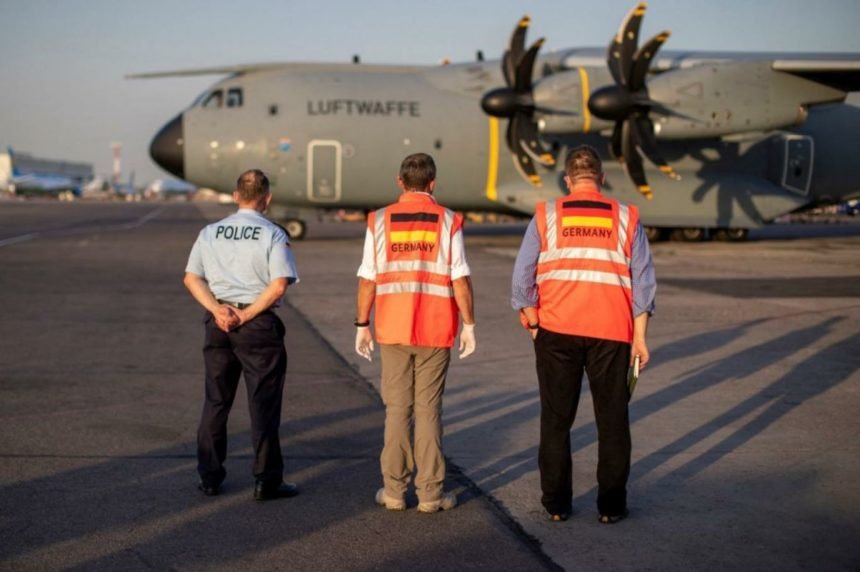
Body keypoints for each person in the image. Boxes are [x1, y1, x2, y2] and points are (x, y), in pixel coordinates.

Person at [511, 145, 656, 524]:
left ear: (567, 179)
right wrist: (640, 338)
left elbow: (522, 278)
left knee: (556, 421)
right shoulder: (626, 217)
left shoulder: (547, 215)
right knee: (612, 422)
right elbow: (642, 284)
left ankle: (557, 504)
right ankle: (611, 506)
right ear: (602, 178)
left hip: (557, 331)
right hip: (612, 333)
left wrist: (533, 320)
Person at [354, 153, 476, 513]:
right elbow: (460, 278)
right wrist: (469, 323)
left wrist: (362, 324)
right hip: (436, 329)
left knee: (397, 410)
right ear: (433, 183)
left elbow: (367, 278)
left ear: (400, 181)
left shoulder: (378, 220)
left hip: (392, 327)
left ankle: (394, 492)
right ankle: (430, 495)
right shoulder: (449, 221)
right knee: (428, 411)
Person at [183, 169, 300, 501]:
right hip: (257, 324)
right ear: (267, 199)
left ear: (236, 196)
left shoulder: (210, 232)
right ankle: (266, 480)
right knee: (262, 403)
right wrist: (246, 315)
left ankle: (209, 476)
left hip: (218, 323)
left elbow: (192, 279)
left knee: (216, 400)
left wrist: (219, 310)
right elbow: (279, 284)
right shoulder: (273, 234)